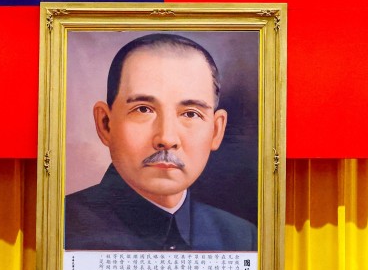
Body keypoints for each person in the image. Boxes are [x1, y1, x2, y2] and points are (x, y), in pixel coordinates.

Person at [65, 33, 257, 251]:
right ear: (105, 124)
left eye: (190, 114)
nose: (166, 138)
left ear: (216, 130)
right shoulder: (62, 226)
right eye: (143, 110)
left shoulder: (240, 237)